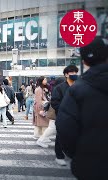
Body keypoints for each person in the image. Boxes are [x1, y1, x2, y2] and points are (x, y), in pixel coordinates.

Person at [56, 38, 108, 179]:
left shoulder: (77, 89)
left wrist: (78, 154)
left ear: (84, 62)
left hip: (90, 163)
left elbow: (65, 128)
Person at [36, 77, 65, 149]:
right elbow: (38, 100)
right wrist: (40, 110)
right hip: (54, 110)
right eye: (44, 79)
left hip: (53, 110)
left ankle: (43, 139)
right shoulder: (57, 89)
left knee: (52, 127)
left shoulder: (54, 88)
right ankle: (41, 139)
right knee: (52, 127)